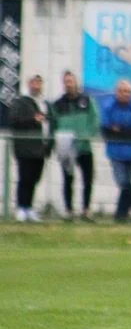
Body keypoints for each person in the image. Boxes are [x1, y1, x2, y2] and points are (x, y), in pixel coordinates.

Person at [51, 70, 100, 222]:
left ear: (76, 82)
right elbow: (53, 124)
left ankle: (86, 210)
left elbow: (95, 118)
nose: (69, 84)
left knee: (88, 179)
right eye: (66, 82)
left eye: (71, 81)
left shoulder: (86, 101)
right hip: (66, 147)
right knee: (68, 179)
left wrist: (88, 134)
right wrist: (56, 142)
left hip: (84, 147)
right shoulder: (58, 105)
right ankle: (69, 210)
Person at [101, 79, 131, 222]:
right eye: (122, 91)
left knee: (126, 184)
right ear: (116, 92)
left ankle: (121, 214)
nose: (125, 94)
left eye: (128, 91)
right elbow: (106, 130)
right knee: (123, 182)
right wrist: (122, 131)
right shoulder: (109, 107)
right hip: (115, 151)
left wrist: (119, 130)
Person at [9, 75, 52, 222]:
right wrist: (33, 120)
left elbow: (50, 122)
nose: (36, 86)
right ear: (29, 84)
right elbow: (14, 120)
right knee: (24, 178)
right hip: (26, 148)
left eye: (39, 83)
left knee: (34, 178)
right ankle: (21, 207)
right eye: (34, 83)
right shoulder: (21, 102)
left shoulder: (44, 103)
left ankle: (29, 207)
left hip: (41, 149)